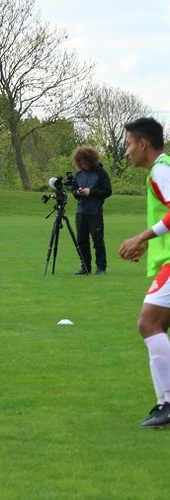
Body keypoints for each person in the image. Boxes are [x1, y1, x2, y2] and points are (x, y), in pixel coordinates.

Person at [119, 117, 170, 428]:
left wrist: (142, 237)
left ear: (142, 144)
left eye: (128, 144)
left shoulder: (161, 170)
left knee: (148, 322)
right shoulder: (163, 168)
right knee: (157, 324)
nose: (126, 151)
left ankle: (168, 402)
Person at [71, 146, 112, 275]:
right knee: (81, 241)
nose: (83, 164)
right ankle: (85, 267)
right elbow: (73, 191)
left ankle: (101, 268)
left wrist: (91, 192)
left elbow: (107, 191)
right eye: (81, 162)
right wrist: (78, 192)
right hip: (81, 212)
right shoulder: (78, 175)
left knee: (97, 240)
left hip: (95, 212)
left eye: (85, 161)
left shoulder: (101, 174)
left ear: (91, 160)